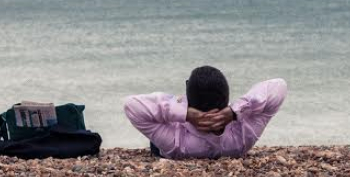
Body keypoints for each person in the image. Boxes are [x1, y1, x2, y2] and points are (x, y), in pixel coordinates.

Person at [123, 66, 287, 159]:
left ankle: (183, 101)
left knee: (173, 103)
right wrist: (234, 111)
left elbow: (131, 105)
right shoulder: (241, 139)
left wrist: (186, 114)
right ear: (227, 96)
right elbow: (279, 86)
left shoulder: (177, 146)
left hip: (170, 142)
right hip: (229, 141)